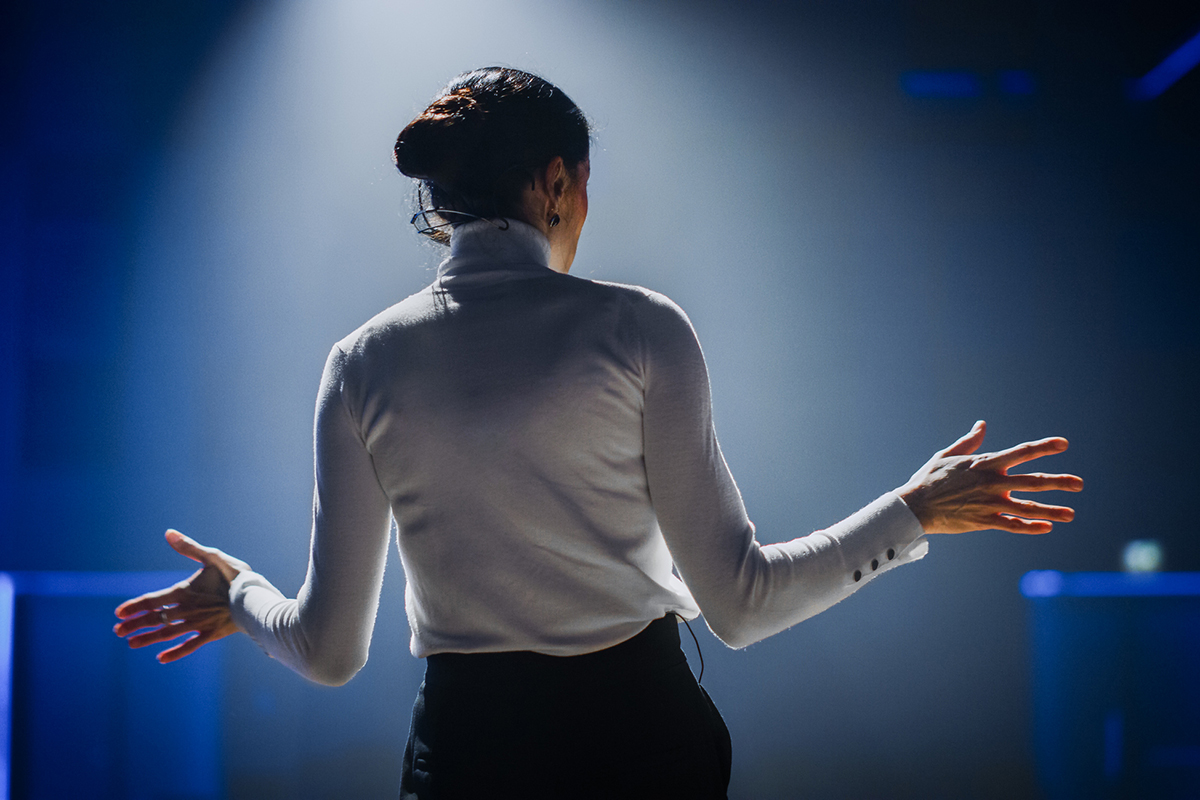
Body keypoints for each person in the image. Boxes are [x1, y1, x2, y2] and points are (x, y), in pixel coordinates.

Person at [114, 67, 1083, 799]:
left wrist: (237, 591)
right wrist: (911, 510)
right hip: (645, 746)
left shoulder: (361, 361)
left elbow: (327, 652)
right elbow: (741, 606)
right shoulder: (639, 327)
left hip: (465, 756)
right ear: (557, 182)